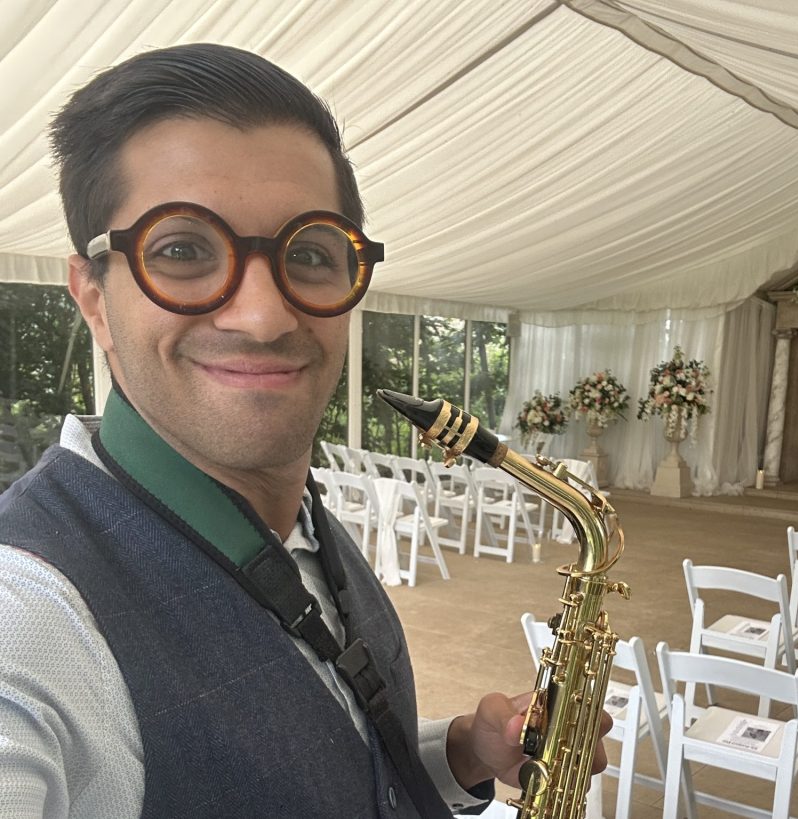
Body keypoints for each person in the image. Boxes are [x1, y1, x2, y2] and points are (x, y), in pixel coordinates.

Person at [0, 43, 604, 818]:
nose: (263, 316)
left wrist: (459, 754)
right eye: (182, 250)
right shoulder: (28, 621)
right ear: (91, 295)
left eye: (311, 254)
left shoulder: (301, 518)